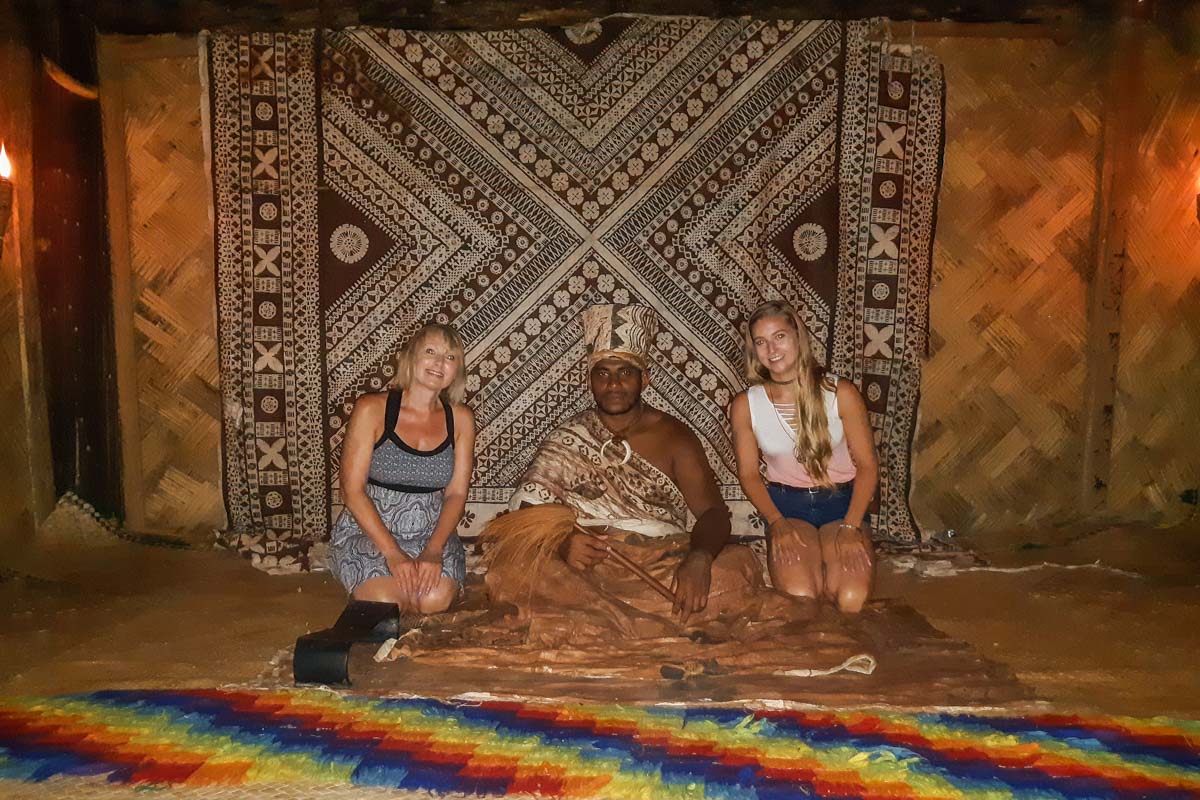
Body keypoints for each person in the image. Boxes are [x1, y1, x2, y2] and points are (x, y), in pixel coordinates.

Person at [487, 304, 778, 642]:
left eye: (625, 372)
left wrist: (699, 559)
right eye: (603, 374)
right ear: (590, 380)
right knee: (510, 566)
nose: (613, 384)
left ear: (645, 378)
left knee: (735, 569)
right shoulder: (569, 435)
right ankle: (637, 623)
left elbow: (713, 513)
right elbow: (525, 512)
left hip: (659, 562)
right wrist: (564, 542)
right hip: (586, 568)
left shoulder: (674, 437)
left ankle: (600, 621)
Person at [730, 300, 879, 613]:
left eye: (779, 336)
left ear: (798, 337)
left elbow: (867, 467)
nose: (772, 349)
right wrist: (776, 523)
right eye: (761, 342)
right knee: (801, 599)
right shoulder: (747, 405)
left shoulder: (840, 393)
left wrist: (851, 527)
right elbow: (748, 474)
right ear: (753, 350)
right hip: (788, 507)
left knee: (851, 599)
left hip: (841, 504)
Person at [328, 323, 475, 615]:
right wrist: (393, 554)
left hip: (431, 532)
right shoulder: (372, 409)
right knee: (388, 603)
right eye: (430, 352)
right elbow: (352, 491)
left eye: (449, 357)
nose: (438, 363)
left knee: (433, 600)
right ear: (411, 358)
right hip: (369, 531)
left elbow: (457, 493)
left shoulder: (460, 419)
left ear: (456, 370)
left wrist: (434, 550)